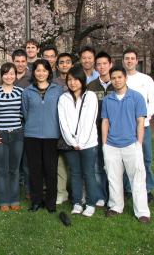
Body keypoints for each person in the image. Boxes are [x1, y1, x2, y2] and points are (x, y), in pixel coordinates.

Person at [101, 66, 150, 223]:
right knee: (113, 178)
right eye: (113, 78)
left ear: (125, 78)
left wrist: (139, 144)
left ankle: (142, 212)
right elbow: (105, 122)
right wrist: (104, 144)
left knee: (137, 178)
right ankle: (116, 207)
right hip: (111, 145)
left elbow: (140, 122)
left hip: (131, 144)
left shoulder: (136, 97)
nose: (116, 80)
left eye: (119, 77)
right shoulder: (108, 100)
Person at [22, 59, 63, 213]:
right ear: (33, 72)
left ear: (49, 72)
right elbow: (25, 113)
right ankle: (36, 201)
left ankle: (51, 203)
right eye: (38, 70)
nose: (41, 73)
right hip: (32, 136)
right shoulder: (27, 92)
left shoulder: (58, 90)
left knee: (50, 170)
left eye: (44, 70)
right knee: (35, 170)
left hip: (52, 136)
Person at [58, 65, 99, 217]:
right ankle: (77, 202)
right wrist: (72, 142)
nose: (73, 83)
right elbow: (63, 123)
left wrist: (81, 143)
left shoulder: (91, 96)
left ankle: (90, 203)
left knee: (88, 173)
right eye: (69, 80)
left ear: (82, 80)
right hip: (70, 144)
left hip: (88, 143)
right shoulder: (63, 98)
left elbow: (89, 122)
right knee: (75, 173)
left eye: (76, 79)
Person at [122, 48, 154, 204]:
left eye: (132, 58)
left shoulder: (146, 79)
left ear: (137, 61)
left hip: (143, 126)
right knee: (126, 159)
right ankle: (129, 189)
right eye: (127, 58)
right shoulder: (119, 79)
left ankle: (147, 189)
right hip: (125, 127)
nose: (129, 61)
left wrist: (143, 118)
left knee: (145, 158)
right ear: (123, 61)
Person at [0, 62, 24, 212]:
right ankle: (3, 200)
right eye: (6, 73)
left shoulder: (21, 92)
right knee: (2, 170)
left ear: (15, 75)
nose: (9, 76)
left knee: (14, 170)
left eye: (12, 73)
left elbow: (22, 113)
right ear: (2, 75)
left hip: (17, 134)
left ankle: (14, 199)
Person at [87, 51, 114, 207]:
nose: (102, 67)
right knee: (97, 166)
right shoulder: (91, 86)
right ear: (95, 67)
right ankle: (100, 196)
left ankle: (115, 195)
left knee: (114, 167)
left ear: (110, 64)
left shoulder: (117, 82)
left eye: (105, 63)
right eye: (99, 64)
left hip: (115, 133)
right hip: (96, 132)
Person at [54, 53, 73, 205]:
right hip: (57, 128)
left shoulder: (77, 80)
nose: (65, 65)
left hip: (75, 128)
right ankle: (61, 192)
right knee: (59, 163)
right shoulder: (53, 83)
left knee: (75, 163)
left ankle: (76, 191)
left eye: (68, 62)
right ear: (57, 65)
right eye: (62, 62)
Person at [12, 48, 31, 197]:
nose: (20, 64)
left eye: (23, 61)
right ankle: (13, 185)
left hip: (26, 122)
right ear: (13, 62)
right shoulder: (8, 76)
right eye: (17, 61)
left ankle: (28, 187)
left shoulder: (32, 78)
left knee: (26, 157)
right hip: (10, 122)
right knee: (13, 156)